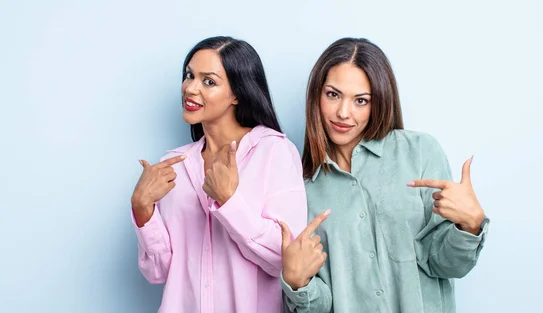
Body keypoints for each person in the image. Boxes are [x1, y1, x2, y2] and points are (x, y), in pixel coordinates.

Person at [279, 37, 490, 313]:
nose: (343, 112)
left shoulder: (421, 152)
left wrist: (470, 227)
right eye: (333, 94)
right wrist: (297, 283)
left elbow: (447, 265)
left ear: (378, 102)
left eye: (361, 101)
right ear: (316, 96)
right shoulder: (301, 187)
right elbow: (322, 305)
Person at [130, 36, 307, 313]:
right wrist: (142, 210)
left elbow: (282, 260)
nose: (190, 88)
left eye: (208, 81)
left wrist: (229, 201)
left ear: (237, 93)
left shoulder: (274, 152)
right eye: (189, 76)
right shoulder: (173, 166)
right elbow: (158, 273)